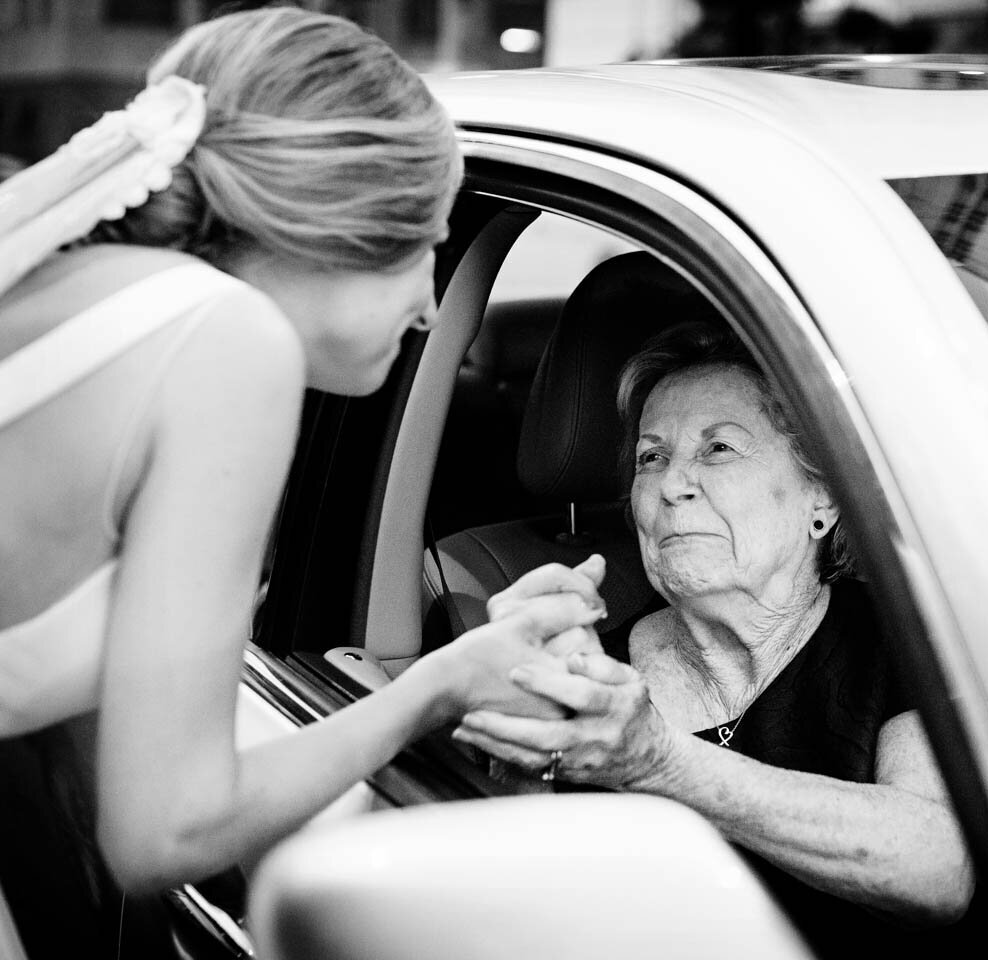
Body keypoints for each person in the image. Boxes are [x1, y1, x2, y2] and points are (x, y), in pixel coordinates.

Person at [0, 3, 606, 919]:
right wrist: (437, 687)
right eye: (429, 247)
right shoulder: (228, 343)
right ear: (342, 229)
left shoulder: (78, 289)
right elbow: (166, 831)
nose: (427, 309)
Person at [452, 320, 976, 956]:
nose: (672, 485)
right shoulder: (589, 676)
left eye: (718, 449)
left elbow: (934, 872)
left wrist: (661, 763)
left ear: (823, 496)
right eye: (652, 457)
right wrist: (521, 749)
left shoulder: (902, 636)